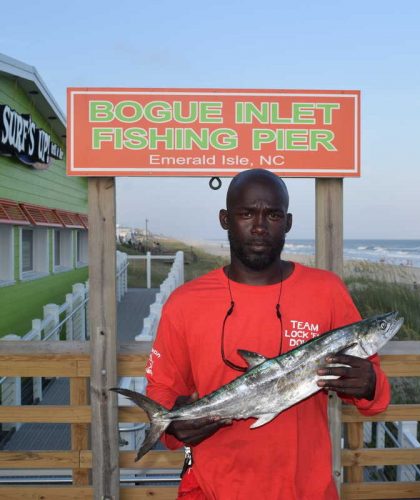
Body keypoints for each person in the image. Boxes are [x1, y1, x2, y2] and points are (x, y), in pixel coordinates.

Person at [146, 169, 390, 499]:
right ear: (225, 219)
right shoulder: (185, 302)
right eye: (246, 213)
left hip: (307, 491)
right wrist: (174, 426)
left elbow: (373, 399)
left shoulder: (327, 291)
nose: (259, 226)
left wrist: (370, 384)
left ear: (287, 222)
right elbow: (162, 387)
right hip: (211, 490)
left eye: (272, 215)